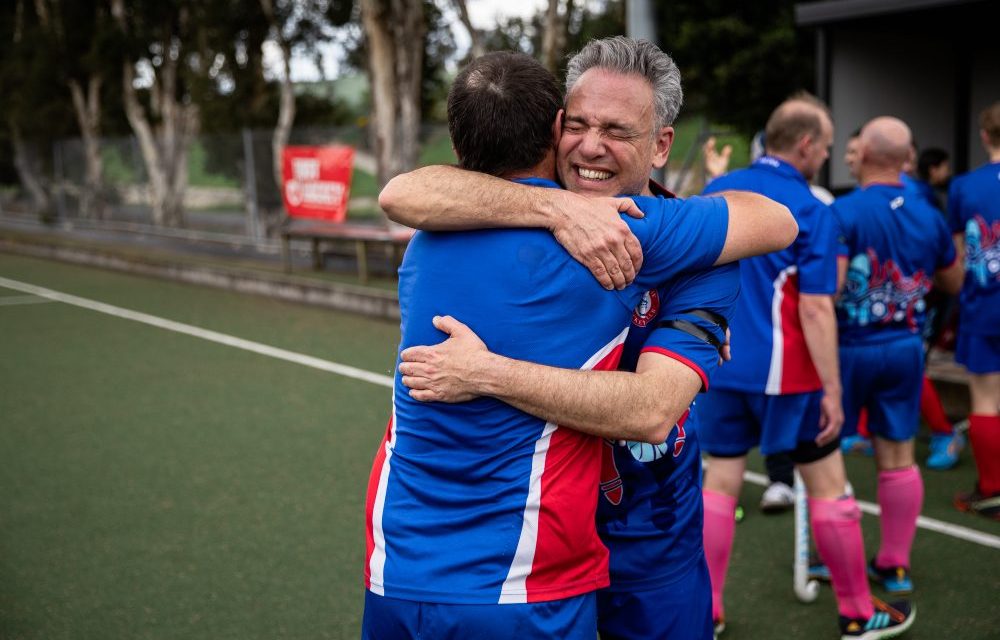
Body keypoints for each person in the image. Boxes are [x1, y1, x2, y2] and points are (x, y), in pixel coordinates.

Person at [363, 50, 795, 639]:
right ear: (554, 127)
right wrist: (553, 205)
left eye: (617, 131)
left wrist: (489, 372)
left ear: (661, 145)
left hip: (646, 545)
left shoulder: (696, 254)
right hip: (532, 560)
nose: (591, 147)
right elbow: (402, 192)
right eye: (578, 125)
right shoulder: (478, 214)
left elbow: (650, 410)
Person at [698, 94, 916, 639]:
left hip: (714, 365)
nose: (829, 154)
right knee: (828, 485)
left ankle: (708, 612)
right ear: (804, 145)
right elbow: (817, 306)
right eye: (825, 144)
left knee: (719, 484)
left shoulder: (711, 191)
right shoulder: (812, 208)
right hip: (786, 374)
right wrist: (834, 389)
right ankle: (857, 611)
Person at [832, 117, 964, 594]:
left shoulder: (843, 212)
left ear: (863, 154)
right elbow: (954, 280)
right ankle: (895, 566)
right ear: (907, 159)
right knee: (899, 454)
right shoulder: (930, 214)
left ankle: (834, 559)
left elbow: (830, 290)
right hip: (906, 346)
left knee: (828, 459)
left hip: (848, 349)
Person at [948, 100, 1000, 521]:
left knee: (985, 397)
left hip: (983, 305)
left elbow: (957, 256)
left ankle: (992, 489)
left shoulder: (965, 187)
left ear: (985, 136)